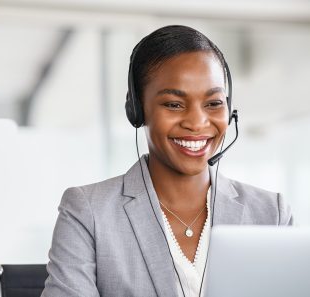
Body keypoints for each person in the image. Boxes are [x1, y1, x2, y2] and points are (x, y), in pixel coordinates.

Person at [41, 25, 293, 297]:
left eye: (213, 103)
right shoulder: (89, 212)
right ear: (137, 110)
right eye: (174, 104)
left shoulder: (271, 214)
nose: (197, 123)